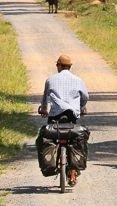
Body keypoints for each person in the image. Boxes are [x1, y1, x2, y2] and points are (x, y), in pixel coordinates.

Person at [38, 55, 89, 185]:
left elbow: (45, 99)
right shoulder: (78, 80)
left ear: (59, 66)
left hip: (55, 116)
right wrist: (81, 108)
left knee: (51, 138)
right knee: (73, 140)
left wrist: (44, 110)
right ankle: (72, 176)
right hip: (72, 116)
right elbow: (85, 97)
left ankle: (53, 162)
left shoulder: (51, 79)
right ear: (70, 66)